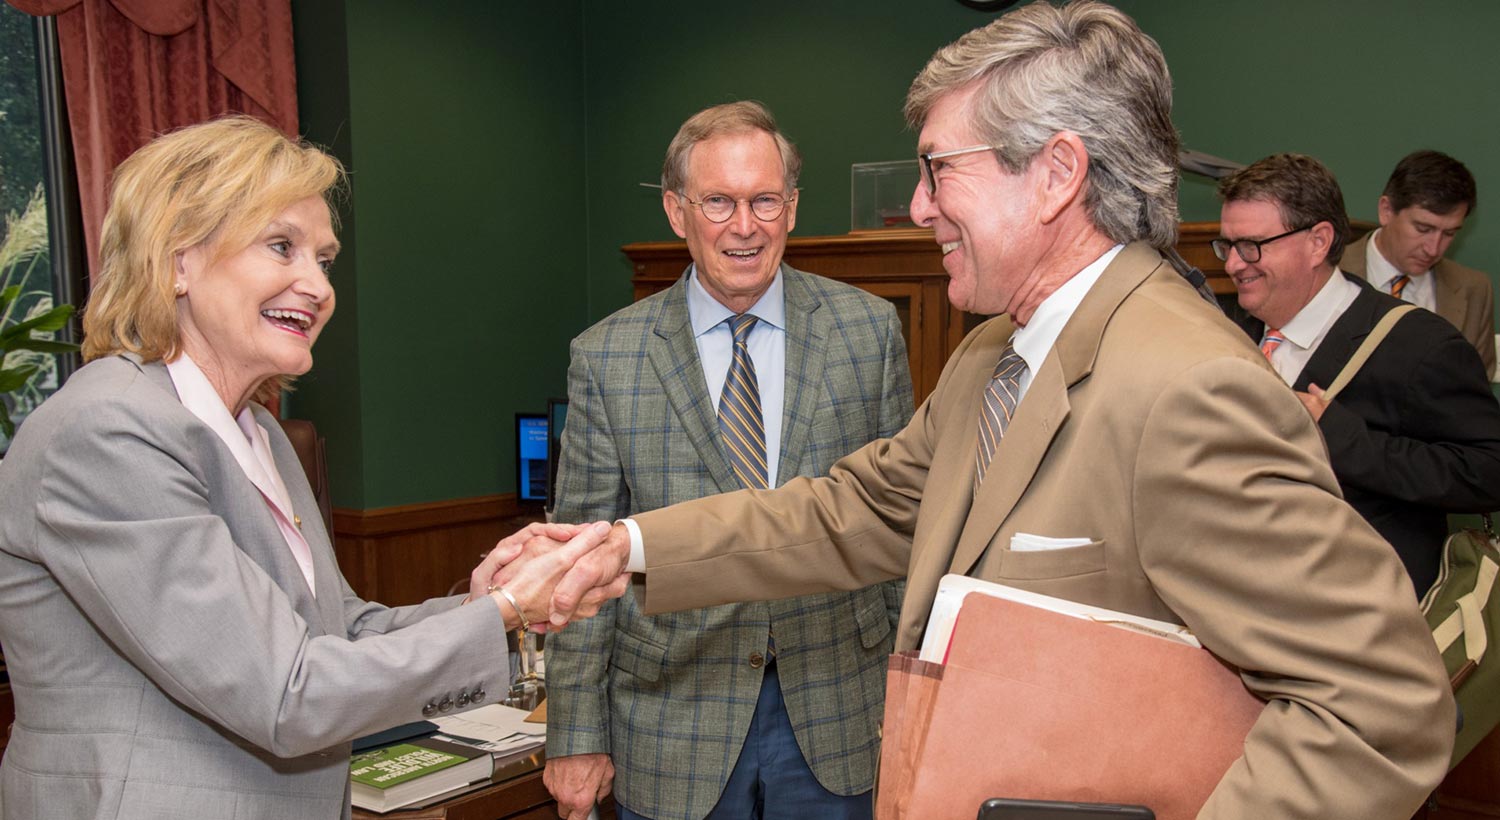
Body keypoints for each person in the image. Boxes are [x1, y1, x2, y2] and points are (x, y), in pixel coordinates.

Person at [515, 3, 1457, 818]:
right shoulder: (989, 355)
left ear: (1054, 173)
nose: (918, 206)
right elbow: (856, 510)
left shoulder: (1185, 386)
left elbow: (1378, 705)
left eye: (938, 170)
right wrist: (625, 548)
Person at [0, 115, 613, 820]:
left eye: (322, 260)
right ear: (176, 260)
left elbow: (336, 634)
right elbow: (287, 693)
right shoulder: (107, 431)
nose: (317, 287)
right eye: (280, 247)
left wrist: (486, 604)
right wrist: (511, 610)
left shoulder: (256, 429)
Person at [543, 101, 912, 820]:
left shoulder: (867, 332)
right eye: (718, 202)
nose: (745, 227)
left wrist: (916, 701)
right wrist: (575, 735)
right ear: (678, 212)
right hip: (674, 727)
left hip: (839, 715)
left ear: (793, 208)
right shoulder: (607, 358)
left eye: (764, 200)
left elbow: (899, 529)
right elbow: (580, 561)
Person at [1216, 152, 1500, 595]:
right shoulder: (1230, 328)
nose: (1234, 264)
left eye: (1252, 245)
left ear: (1318, 241)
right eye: (1228, 246)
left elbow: (1487, 471)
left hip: (1361, 614)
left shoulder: (1422, 345)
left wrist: (1340, 436)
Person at [1340, 150, 1495, 379]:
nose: (1434, 249)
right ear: (1386, 211)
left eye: (1449, 233)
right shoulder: (1327, 271)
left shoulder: (1475, 289)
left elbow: (1474, 394)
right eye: (1423, 229)